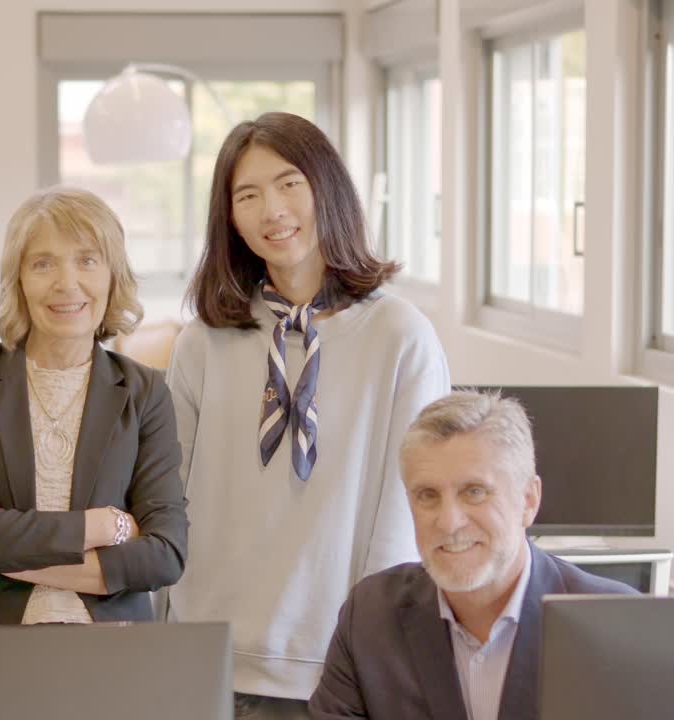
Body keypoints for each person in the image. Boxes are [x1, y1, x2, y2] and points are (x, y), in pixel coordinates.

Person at [165, 112, 452, 718]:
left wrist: (376, 649)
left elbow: (409, 511)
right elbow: (169, 501)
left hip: (338, 664)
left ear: (328, 188)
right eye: (248, 194)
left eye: (289, 182)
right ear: (230, 219)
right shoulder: (204, 342)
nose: (272, 209)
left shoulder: (401, 337)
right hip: (210, 656)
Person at [0, 186, 188, 625]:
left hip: (110, 652)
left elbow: (164, 555)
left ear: (112, 276)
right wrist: (106, 527)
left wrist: (1, 545)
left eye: (87, 260)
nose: (67, 283)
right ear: (19, 280)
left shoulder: (145, 393)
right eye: (43, 263)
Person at [309, 390, 637, 720]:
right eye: (427, 495)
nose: (449, 522)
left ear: (528, 500)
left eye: (474, 492)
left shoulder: (616, 625)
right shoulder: (370, 616)